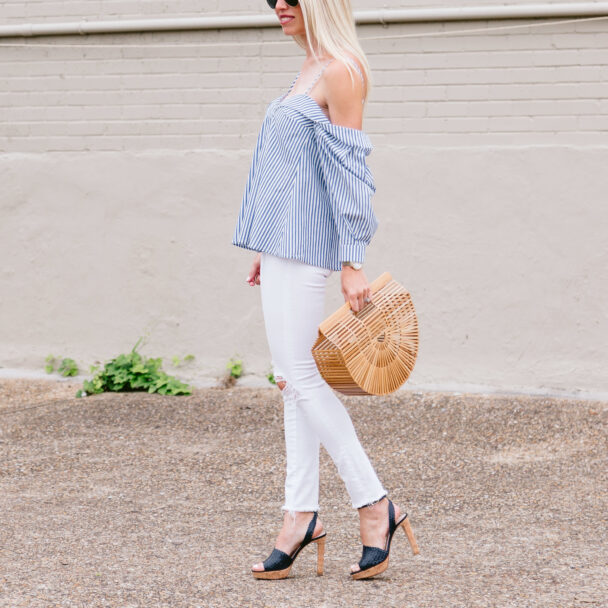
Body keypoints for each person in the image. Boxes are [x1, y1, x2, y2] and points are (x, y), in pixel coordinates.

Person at [231, 0, 419, 580]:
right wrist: (266, 241)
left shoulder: (342, 69)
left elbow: (350, 170)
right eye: (271, 0)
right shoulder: (307, 66)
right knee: (290, 381)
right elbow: (289, 169)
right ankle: (300, 515)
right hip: (283, 245)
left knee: (302, 376)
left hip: (314, 249)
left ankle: (374, 503)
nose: (279, 6)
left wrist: (352, 259)